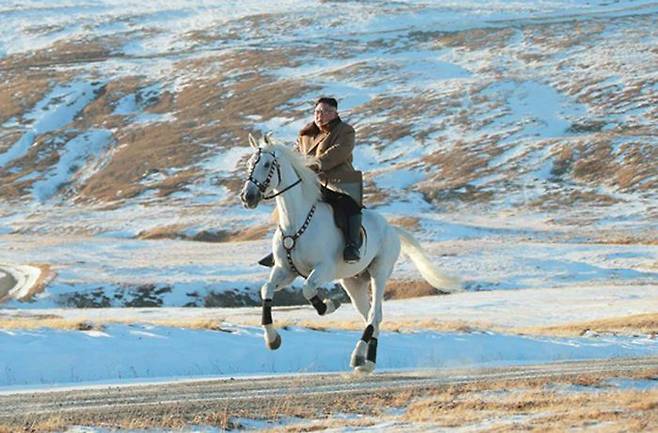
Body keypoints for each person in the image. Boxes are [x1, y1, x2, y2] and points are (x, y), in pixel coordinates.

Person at [259, 96, 363, 267]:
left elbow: (338, 152)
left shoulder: (345, 131)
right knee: (288, 206)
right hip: (311, 182)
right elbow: (295, 155)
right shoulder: (305, 134)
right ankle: (283, 247)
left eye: (325, 111)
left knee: (349, 206)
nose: (320, 115)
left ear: (335, 113)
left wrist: (315, 165)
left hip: (337, 182)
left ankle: (352, 246)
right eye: (317, 111)